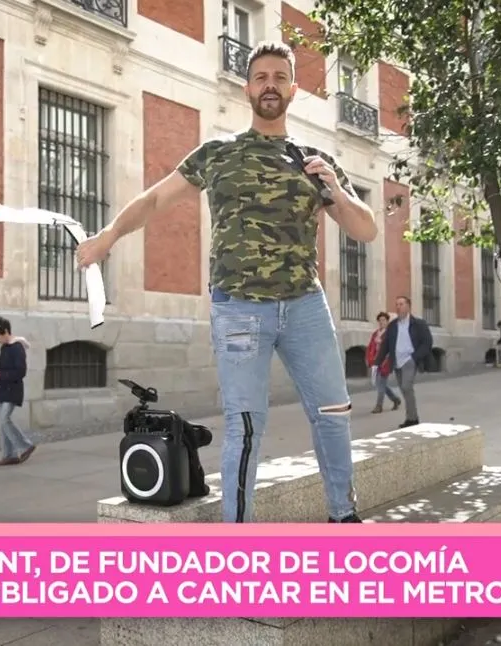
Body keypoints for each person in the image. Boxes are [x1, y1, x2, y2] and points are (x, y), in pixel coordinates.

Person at [75, 41, 379, 524]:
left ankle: (343, 516)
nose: (271, 85)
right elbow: (155, 200)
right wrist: (109, 236)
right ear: (248, 88)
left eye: (280, 77)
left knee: (334, 413)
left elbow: (365, 230)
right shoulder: (218, 153)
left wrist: (337, 192)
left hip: (305, 306)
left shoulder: (313, 160)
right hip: (240, 309)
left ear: (293, 89)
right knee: (246, 426)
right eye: (261, 77)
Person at [374, 296, 433, 428]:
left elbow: (427, 342)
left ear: (408, 306)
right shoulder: (393, 325)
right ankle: (411, 417)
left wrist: (415, 357)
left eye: (401, 304)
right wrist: (377, 362)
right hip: (397, 362)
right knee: (404, 389)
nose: (398, 307)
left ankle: (412, 419)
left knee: (407, 386)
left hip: (409, 360)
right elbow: (386, 345)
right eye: (397, 304)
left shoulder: (418, 324)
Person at [0, 317, 37, 467]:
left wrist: (0, 375)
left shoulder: (17, 348)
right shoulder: (5, 348)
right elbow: (5, 369)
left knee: (4, 419)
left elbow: (21, 372)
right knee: (2, 423)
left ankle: (26, 446)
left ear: (6, 332)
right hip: (2, 389)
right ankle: (10, 455)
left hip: (12, 390)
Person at [365, 312, 401, 414]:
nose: (381, 322)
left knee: (381, 384)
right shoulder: (375, 334)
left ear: (387, 321)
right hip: (376, 361)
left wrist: (382, 343)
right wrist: (369, 359)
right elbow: (370, 347)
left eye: (383, 320)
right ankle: (395, 399)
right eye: (380, 320)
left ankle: (378, 406)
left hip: (386, 361)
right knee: (379, 384)